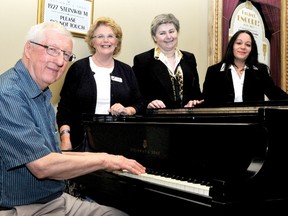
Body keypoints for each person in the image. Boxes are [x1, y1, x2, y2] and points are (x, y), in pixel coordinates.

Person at [0, 21, 145, 216]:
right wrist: (104, 160)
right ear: (28, 49)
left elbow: (54, 155)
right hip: (24, 207)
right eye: (52, 50)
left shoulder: (42, 93)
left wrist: (112, 158)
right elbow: (42, 166)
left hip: (55, 199)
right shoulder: (9, 93)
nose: (60, 61)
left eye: (66, 55)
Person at [57, 16, 145, 151]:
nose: (106, 40)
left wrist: (127, 110)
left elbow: (139, 103)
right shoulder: (78, 68)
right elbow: (65, 109)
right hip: (82, 143)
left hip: (119, 142)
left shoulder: (126, 71)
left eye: (110, 36)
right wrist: (65, 139)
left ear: (117, 42)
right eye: (100, 36)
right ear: (92, 41)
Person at [132, 13, 204, 109]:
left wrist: (194, 101)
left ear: (177, 33)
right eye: (162, 33)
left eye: (171, 31)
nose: (168, 36)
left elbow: (196, 93)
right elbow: (136, 96)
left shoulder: (189, 58)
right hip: (157, 120)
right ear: (154, 37)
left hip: (187, 120)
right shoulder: (142, 61)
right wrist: (148, 103)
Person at [202, 29, 288, 105]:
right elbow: (206, 100)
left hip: (253, 121)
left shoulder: (260, 71)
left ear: (251, 49)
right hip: (224, 121)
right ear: (232, 46)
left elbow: (274, 93)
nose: (243, 47)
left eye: (248, 45)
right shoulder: (213, 71)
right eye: (239, 43)